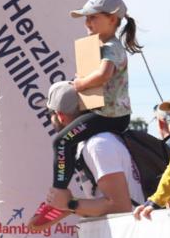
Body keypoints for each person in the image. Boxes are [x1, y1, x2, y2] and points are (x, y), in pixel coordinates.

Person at [49, 0, 142, 206]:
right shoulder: (101, 45)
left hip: (108, 116)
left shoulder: (111, 47)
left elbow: (104, 74)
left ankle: (60, 192)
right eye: (86, 18)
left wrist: (79, 84)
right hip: (105, 113)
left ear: (112, 19)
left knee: (61, 141)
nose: (87, 22)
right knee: (68, 141)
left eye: (93, 17)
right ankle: (67, 190)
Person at [44, 81, 144, 218]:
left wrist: (70, 204)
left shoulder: (98, 145)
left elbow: (120, 206)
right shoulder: (90, 143)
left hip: (128, 234)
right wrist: (65, 205)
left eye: (49, 113)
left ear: (60, 115)